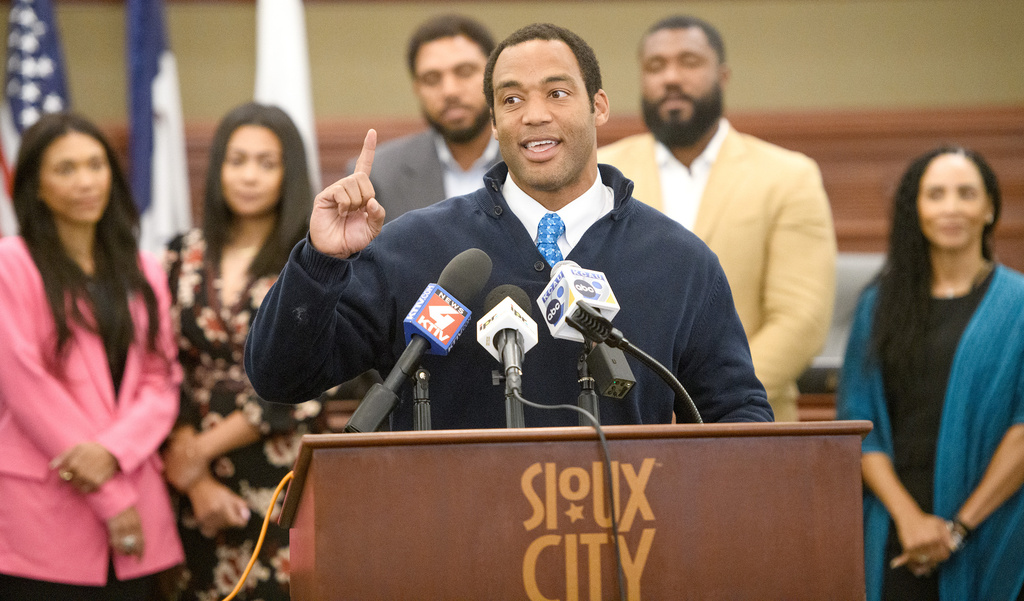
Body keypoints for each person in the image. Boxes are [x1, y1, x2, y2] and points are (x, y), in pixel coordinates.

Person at [244, 23, 772, 428]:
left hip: (624, 549)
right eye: (512, 99)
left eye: (557, 93)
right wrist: (320, 260)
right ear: (495, 122)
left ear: (599, 106)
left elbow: (737, 413)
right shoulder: (417, 246)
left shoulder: (679, 260)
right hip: (456, 551)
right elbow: (281, 378)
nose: (534, 114)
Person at [597, 15, 836, 421]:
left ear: (722, 75)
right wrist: (651, 402)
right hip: (625, 422)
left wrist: (707, 400)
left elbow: (801, 319)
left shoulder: (789, 176)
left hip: (746, 426)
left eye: (689, 62)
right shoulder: (601, 172)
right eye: (655, 67)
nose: (671, 78)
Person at [0, 113, 183, 598]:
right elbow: (24, 386)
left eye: (95, 165)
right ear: (35, 185)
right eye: (65, 169)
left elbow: (161, 381)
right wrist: (110, 496)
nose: (85, 181)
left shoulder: (144, 268)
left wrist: (113, 452)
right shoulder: (10, 265)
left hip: (138, 503)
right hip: (44, 514)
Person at [836, 147, 1024, 601]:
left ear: (990, 208)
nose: (952, 207)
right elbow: (861, 426)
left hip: (993, 523)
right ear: (916, 210)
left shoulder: (1018, 305)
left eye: (966, 193)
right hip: (895, 526)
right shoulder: (878, 305)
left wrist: (957, 529)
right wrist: (910, 521)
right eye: (936, 194)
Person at [161, 103, 328, 600]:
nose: (249, 176)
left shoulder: (315, 256)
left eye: (266, 162)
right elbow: (161, 363)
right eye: (237, 161)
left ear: (289, 173)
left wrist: (198, 452)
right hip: (188, 475)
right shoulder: (181, 252)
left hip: (277, 471)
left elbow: (312, 376)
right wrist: (192, 473)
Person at [346, 13, 501, 222]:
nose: (449, 91)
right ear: (417, 89)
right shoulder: (379, 176)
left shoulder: (534, 158)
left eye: (464, 72)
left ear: (494, 76)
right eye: (431, 79)